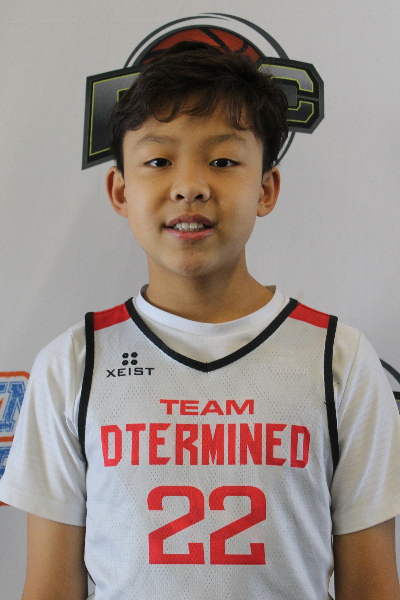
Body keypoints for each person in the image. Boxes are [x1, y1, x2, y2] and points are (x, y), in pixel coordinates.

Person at [1, 41, 400, 600]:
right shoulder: (73, 365)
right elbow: (49, 588)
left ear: (266, 188)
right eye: (159, 161)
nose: (189, 186)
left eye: (222, 161)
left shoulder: (340, 360)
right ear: (120, 190)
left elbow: (374, 585)